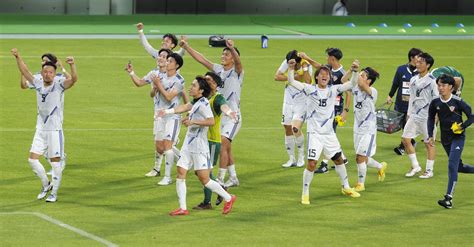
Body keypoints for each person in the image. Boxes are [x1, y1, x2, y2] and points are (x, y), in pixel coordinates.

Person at [158, 76, 236, 216]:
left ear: (200, 90)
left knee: (204, 179)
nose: (190, 87)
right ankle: (183, 208)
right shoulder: (196, 102)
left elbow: (211, 121)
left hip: (200, 146)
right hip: (188, 144)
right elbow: (184, 107)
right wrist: (167, 112)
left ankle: (228, 198)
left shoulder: (204, 104)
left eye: (193, 85)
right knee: (181, 172)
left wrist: (193, 122)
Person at [287, 59, 361, 205]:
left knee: (339, 159)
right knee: (312, 164)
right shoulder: (310, 89)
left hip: (329, 134)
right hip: (315, 134)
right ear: (317, 77)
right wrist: (290, 68)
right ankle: (305, 193)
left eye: (327, 74)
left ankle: (346, 187)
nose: (324, 76)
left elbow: (352, 84)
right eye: (321, 74)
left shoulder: (333, 90)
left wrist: (355, 71)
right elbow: (292, 82)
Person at [12, 48, 77, 203]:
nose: (47, 74)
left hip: (54, 130)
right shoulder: (37, 83)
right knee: (32, 160)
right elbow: (25, 71)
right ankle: (45, 185)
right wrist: (18, 56)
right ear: (42, 73)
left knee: (55, 163)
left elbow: (74, 79)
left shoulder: (59, 85)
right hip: (40, 129)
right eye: (45, 72)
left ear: (54, 74)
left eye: (50, 72)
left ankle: (54, 193)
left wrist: (72, 65)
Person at [179, 36, 243, 188]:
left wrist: (232, 48)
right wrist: (186, 47)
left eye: (227, 54)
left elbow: (239, 62)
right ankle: (233, 177)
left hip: (232, 116)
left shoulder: (237, 72)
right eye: (223, 53)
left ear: (233, 58)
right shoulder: (218, 69)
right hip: (219, 115)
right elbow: (202, 60)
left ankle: (220, 179)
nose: (223, 56)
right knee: (226, 147)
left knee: (223, 142)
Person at [126, 48, 184, 184]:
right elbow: (142, 85)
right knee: (160, 147)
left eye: (166, 58)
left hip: (172, 115)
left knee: (167, 145)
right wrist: (132, 73)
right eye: (160, 56)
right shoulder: (156, 75)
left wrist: (158, 85)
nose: (161, 59)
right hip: (159, 114)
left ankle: (168, 176)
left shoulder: (178, 80)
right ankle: (183, 159)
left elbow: (170, 97)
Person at [299, 48, 350, 173]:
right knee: (330, 134)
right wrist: (307, 57)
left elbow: (348, 92)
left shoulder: (342, 74)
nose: (326, 59)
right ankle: (342, 158)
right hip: (325, 107)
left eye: (328, 57)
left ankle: (324, 163)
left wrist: (345, 111)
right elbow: (318, 66)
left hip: (335, 108)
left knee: (328, 134)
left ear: (332, 58)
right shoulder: (328, 68)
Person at [193, 72, 238, 210]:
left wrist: (229, 113)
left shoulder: (218, 98)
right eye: (205, 79)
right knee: (199, 171)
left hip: (212, 141)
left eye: (209, 80)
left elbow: (224, 106)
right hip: (201, 140)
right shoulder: (203, 97)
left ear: (216, 85)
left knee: (204, 172)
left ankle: (208, 202)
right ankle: (221, 188)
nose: (206, 82)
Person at [427, 74, 473, 209]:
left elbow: (471, 117)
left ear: (451, 87)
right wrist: (430, 135)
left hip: (458, 138)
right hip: (445, 140)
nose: (440, 88)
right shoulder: (435, 102)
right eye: (439, 85)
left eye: (443, 85)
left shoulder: (458, 102)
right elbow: (430, 119)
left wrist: (462, 126)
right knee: (459, 167)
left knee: (452, 166)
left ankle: (448, 198)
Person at [20, 53, 71, 175]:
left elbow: (71, 79)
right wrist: (23, 72)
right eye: (42, 61)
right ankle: (56, 158)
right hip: (42, 113)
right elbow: (23, 85)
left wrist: (63, 67)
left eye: (46, 61)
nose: (43, 63)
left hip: (56, 112)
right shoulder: (39, 77)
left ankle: (61, 158)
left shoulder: (58, 77)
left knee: (55, 133)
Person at [345, 62, 388, 192]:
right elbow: (343, 80)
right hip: (357, 128)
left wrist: (356, 71)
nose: (359, 77)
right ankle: (380, 166)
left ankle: (360, 184)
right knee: (363, 157)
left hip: (368, 129)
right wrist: (351, 69)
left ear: (369, 81)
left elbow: (362, 84)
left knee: (359, 157)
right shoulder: (355, 88)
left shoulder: (372, 91)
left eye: (363, 75)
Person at [402, 52, 438, 178]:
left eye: (421, 62)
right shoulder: (413, 79)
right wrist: (408, 114)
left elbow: (436, 100)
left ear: (428, 65)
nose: (417, 64)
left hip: (427, 117)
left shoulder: (432, 81)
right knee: (406, 139)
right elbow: (411, 98)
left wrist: (436, 117)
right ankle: (416, 166)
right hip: (414, 116)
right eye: (417, 61)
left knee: (429, 143)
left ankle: (429, 170)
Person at [274, 50, 312, 168]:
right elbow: (276, 76)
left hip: (302, 102)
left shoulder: (305, 64)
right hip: (288, 101)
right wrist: (294, 76)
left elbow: (308, 80)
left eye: (294, 64)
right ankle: (291, 158)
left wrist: (303, 70)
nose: (292, 65)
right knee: (287, 128)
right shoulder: (288, 62)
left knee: (295, 128)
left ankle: (301, 156)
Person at [387, 48, 422, 155]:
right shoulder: (401, 69)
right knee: (402, 124)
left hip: (414, 105)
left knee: (408, 125)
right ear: (412, 58)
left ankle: (403, 147)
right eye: (418, 57)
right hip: (401, 103)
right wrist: (390, 95)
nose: (420, 59)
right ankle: (411, 141)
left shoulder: (421, 71)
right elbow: (395, 84)